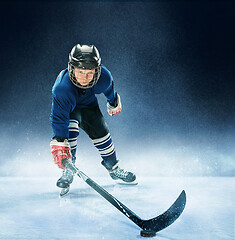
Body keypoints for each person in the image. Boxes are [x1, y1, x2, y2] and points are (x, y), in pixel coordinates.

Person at [49, 44, 137, 194]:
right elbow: (59, 119)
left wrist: (113, 101)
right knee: (68, 134)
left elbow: (109, 89)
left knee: (102, 133)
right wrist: (60, 143)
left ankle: (113, 168)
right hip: (70, 111)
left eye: (90, 72)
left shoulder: (103, 76)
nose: (85, 78)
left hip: (90, 108)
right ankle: (68, 171)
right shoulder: (62, 88)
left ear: (97, 70)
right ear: (72, 69)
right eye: (80, 72)